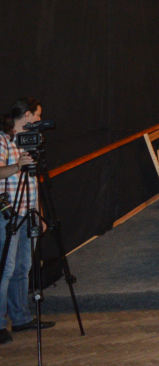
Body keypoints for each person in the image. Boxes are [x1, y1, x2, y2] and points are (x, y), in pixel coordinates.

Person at [0, 99, 55, 343]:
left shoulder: (32, 141)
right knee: (6, 269)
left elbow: (33, 182)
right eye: (37, 115)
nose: (40, 120)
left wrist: (38, 212)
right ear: (27, 115)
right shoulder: (3, 140)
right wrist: (17, 166)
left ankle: (21, 318)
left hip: (28, 210)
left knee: (24, 267)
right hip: (7, 213)